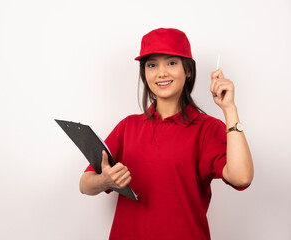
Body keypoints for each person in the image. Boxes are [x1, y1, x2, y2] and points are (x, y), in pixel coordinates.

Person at [79, 27, 254, 240]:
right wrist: (104, 181)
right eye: (152, 65)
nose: (161, 73)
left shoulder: (208, 128)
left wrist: (230, 109)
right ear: (145, 72)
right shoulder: (128, 126)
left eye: (171, 63)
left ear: (188, 70)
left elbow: (242, 177)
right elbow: (85, 183)